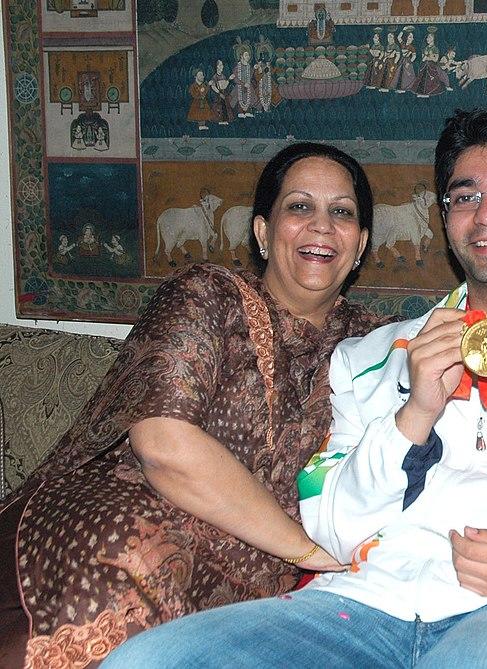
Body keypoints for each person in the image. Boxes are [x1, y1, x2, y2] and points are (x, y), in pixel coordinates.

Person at [103, 107, 487, 669]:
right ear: (445, 220)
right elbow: (331, 528)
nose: (485, 215)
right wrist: (415, 413)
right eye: (463, 197)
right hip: (360, 607)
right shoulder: (367, 356)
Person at [0, 142, 394, 667]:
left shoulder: (381, 345)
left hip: (258, 576)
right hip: (134, 517)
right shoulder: (206, 294)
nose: (321, 226)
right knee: (143, 547)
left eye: (341, 212)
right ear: (261, 230)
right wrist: (310, 554)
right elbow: (163, 444)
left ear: (361, 241)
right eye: (299, 207)